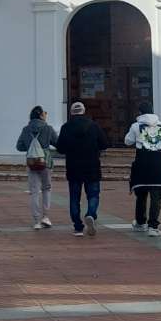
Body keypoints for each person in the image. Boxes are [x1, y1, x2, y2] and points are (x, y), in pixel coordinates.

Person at [55, 101, 108, 237]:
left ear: (72, 112)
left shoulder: (66, 127)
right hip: (92, 166)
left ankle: (78, 227)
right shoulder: (94, 126)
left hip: (73, 167)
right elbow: (104, 144)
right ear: (83, 111)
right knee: (93, 195)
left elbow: (60, 148)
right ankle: (90, 214)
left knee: (74, 197)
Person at [125, 102, 161, 236]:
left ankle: (140, 223)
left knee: (141, 195)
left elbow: (127, 141)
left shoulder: (136, 126)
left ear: (140, 113)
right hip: (158, 165)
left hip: (141, 165)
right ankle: (153, 227)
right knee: (156, 196)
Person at [16, 105, 59, 229]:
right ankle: (46, 217)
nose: (46, 115)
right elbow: (57, 143)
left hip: (31, 163)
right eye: (45, 113)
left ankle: (36, 221)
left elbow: (19, 146)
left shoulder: (26, 129)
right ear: (40, 115)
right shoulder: (48, 128)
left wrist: (31, 147)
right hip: (46, 162)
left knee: (34, 191)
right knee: (46, 189)